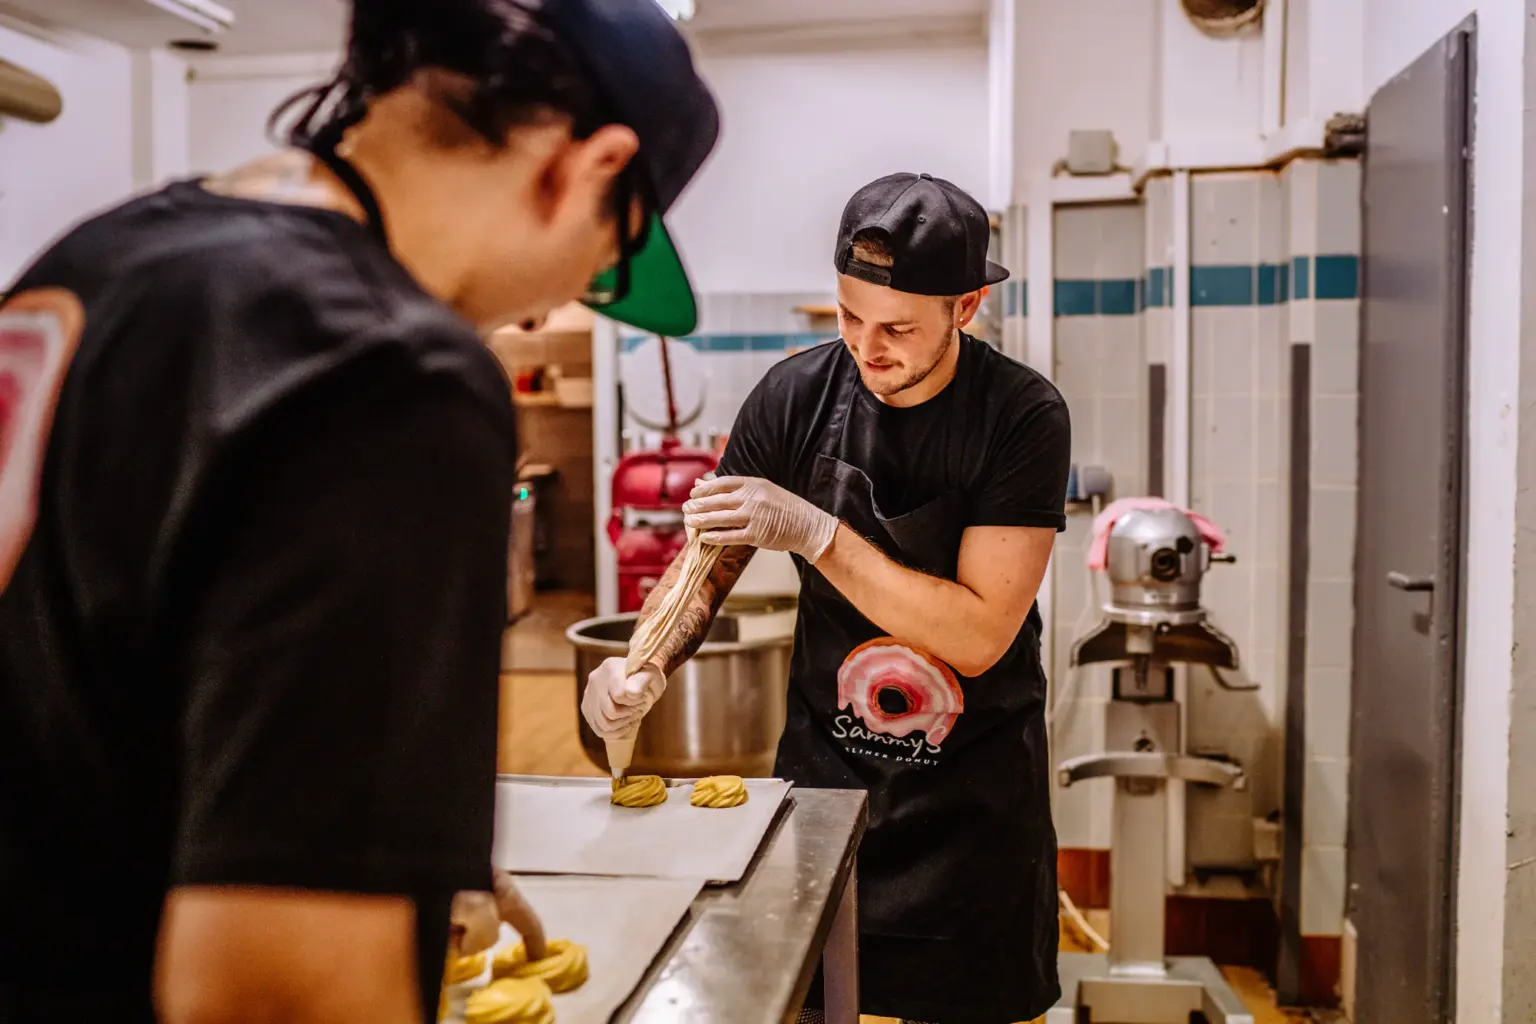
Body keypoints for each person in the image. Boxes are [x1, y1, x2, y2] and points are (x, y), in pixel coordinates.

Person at [0, 1, 718, 1021]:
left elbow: (90, 696)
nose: (539, 310)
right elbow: (282, 995)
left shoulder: (104, 261)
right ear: (590, 169)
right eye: (605, 260)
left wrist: (377, 834)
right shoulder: (390, 373)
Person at [583, 173, 1071, 1024]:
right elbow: (705, 564)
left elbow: (979, 635)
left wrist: (819, 534)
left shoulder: (1020, 416)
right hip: (823, 791)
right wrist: (643, 664)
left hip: (971, 809)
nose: (865, 348)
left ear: (965, 308)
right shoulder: (793, 396)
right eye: (848, 316)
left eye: (896, 328)